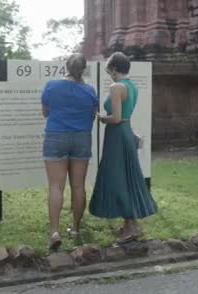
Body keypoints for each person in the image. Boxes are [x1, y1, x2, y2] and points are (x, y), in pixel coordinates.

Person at [90, 52, 157, 242]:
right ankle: (131, 224)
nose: (108, 73)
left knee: (117, 176)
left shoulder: (116, 87)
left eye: (109, 69)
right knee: (127, 176)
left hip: (117, 133)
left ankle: (130, 227)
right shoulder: (132, 86)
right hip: (126, 131)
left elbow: (116, 118)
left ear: (114, 68)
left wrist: (101, 117)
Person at [41, 53, 98, 250]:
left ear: (66, 66)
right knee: (78, 186)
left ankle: (55, 232)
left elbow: (45, 112)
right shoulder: (90, 90)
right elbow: (92, 115)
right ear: (83, 69)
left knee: (56, 186)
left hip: (56, 135)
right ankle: (74, 228)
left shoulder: (51, 86)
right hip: (82, 136)